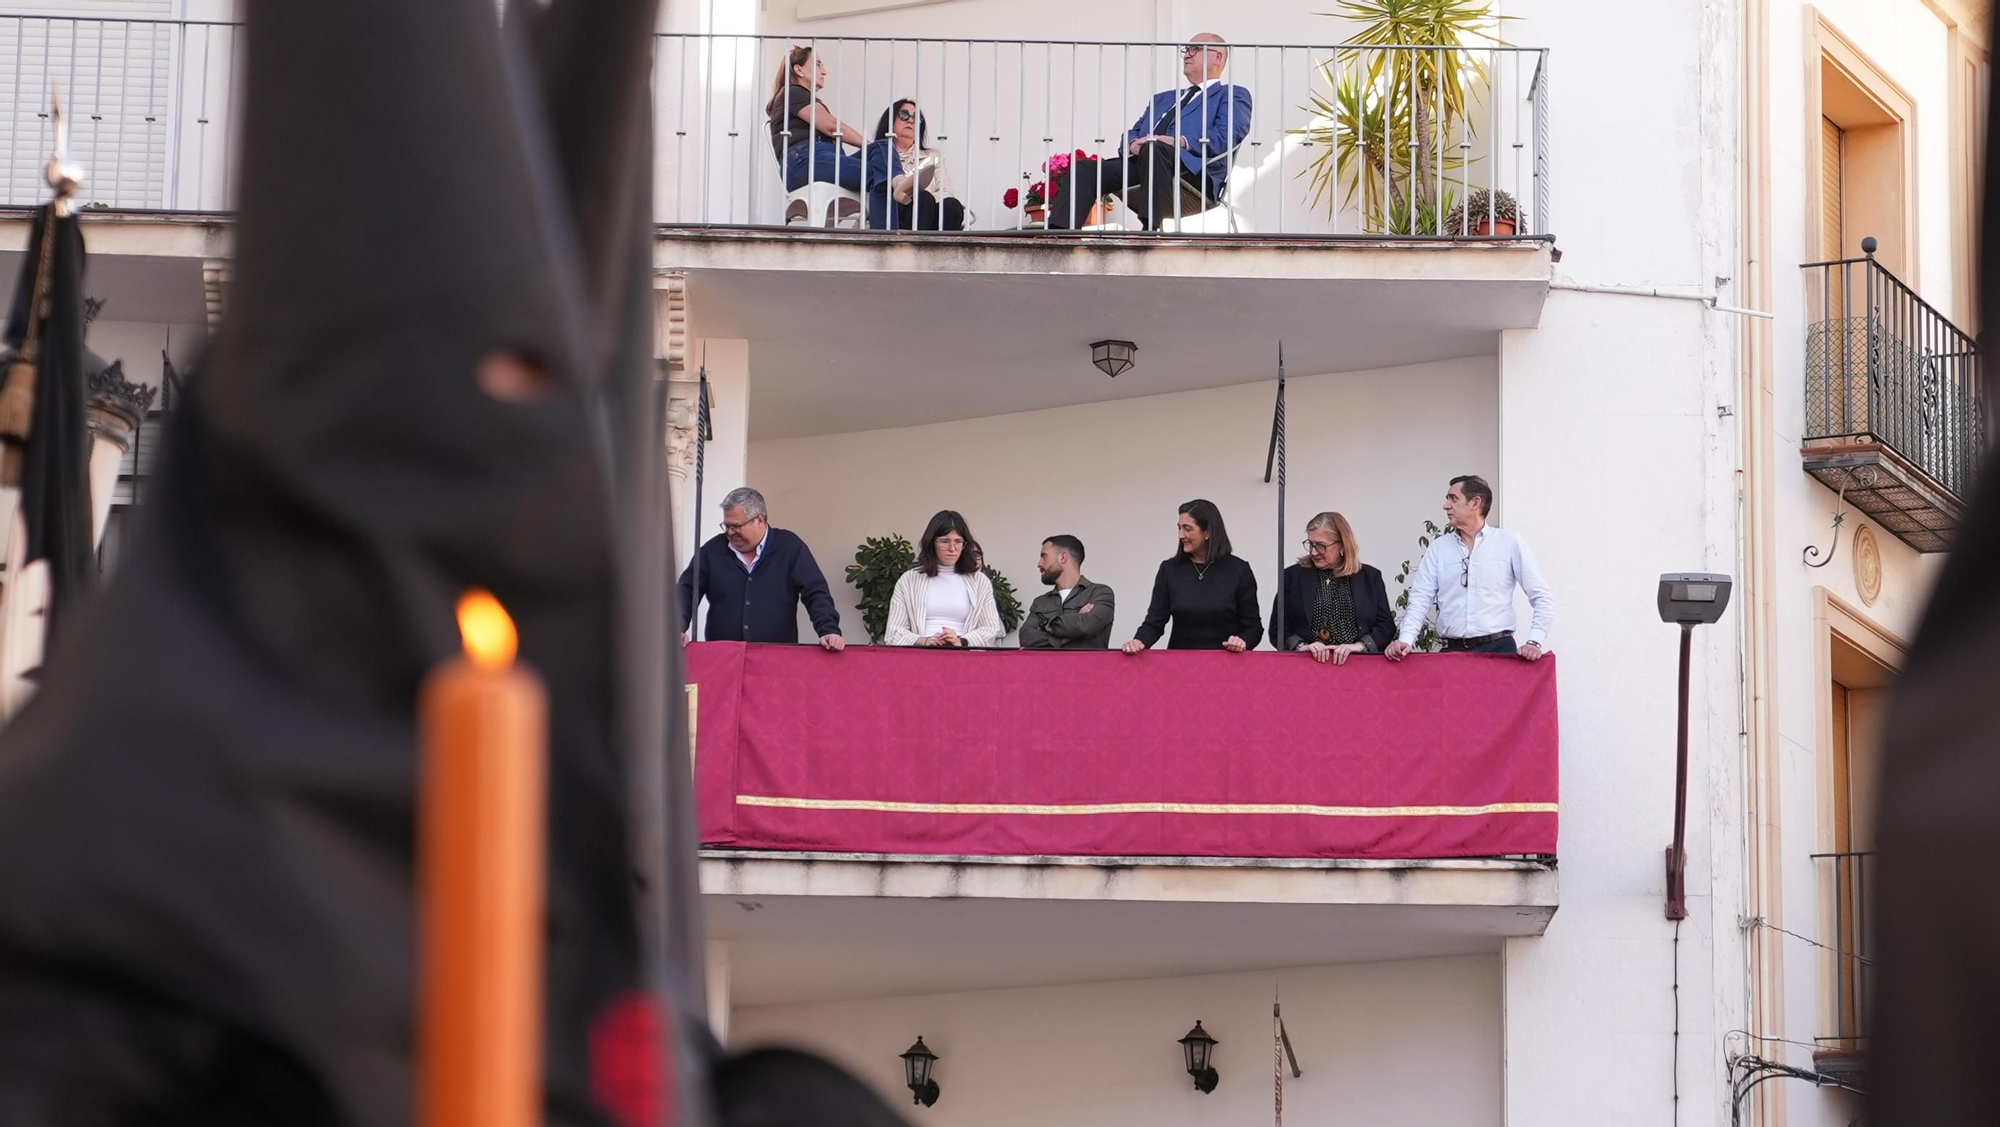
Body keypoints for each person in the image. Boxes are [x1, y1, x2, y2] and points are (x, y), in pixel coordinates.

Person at [1046, 33, 1253, 231]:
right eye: (1186, 50)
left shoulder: (1232, 95)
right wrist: (1131, 144)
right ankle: (1059, 231)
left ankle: (1150, 228)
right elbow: (1134, 131)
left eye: (1195, 49)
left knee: (1155, 149)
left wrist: (1178, 141)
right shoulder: (1162, 99)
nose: (1187, 54)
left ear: (1218, 56)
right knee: (1086, 169)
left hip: (1193, 171)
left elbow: (1227, 137)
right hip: (1145, 162)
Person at [1385, 475, 1553, 661]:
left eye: (1453, 498)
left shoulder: (1510, 543)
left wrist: (1534, 641)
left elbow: (1541, 597)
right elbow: (1420, 599)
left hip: (1498, 652)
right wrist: (1405, 640)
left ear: (1475, 503)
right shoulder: (1438, 548)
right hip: (1452, 654)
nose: (1446, 505)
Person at [677, 486, 845, 650]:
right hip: (724, 657)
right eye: (727, 526)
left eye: (736, 526)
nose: (730, 532)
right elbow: (687, 591)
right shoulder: (711, 551)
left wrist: (828, 629)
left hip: (776, 659)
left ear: (760, 520)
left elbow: (815, 591)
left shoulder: (790, 547)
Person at [1124, 499, 1261, 653]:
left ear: (1207, 531)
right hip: (1181, 667)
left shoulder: (1239, 570)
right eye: (1179, 528)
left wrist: (1242, 642)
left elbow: (1253, 628)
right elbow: (1154, 622)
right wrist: (1139, 641)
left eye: (1187, 529)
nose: (1181, 535)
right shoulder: (1169, 570)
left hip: (1227, 667)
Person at [1270, 511, 1396, 663]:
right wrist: (1301, 647)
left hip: (1358, 667)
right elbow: (1278, 628)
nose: (1313, 552)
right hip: (1305, 666)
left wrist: (1359, 646)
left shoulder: (1370, 577)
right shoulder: (1292, 577)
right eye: (1311, 544)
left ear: (1342, 545)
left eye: (1321, 546)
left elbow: (1386, 626)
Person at [885, 509, 1006, 647]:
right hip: (920, 656)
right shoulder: (909, 580)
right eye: (945, 541)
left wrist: (960, 641)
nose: (952, 548)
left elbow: (990, 629)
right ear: (931, 543)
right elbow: (894, 632)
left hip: (965, 657)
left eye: (958, 541)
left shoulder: (980, 581)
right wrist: (926, 641)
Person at [767, 46, 868, 196]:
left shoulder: (800, 97)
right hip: (805, 161)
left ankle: (899, 182)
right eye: (818, 64)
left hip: (820, 159)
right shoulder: (792, 92)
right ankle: (900, 183)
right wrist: (868, 145)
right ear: (799, 70)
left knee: (882, 152)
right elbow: (833, 127)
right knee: (879, 170)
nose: (824, 72)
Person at [864, 99, 966, 231]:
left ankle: (940, 250)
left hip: (928, 215)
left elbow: (946, 192)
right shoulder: (877, 155)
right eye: (904, 115)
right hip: (895, 218)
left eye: (916, 118)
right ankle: (912, 247)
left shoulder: (932, 156)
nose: (910, 121)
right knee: (922, 198)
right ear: (890, 121)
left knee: (951, 205)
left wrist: (922, 202)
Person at [1019, 534, 1116, 649]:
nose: (1039, 564)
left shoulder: (1100, 593)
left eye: (1044, 556)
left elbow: (1086, 626)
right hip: (1046, 667)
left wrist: (1046, 625)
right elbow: (1026, 638)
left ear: (1063, 558)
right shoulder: (1040, 602)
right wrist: (1063, 638)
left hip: (1087, 667)